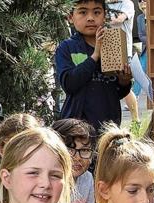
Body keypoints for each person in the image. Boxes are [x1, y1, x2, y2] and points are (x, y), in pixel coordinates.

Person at [56, 0, 133, 133]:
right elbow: (69, 84)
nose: (91, 18)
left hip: (108, 126)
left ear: (105, 16)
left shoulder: (112, 44)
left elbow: (117, 92)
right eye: (83, 12)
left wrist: (124, 81)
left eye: (97, 12)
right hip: (77, 129)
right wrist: (95, 55)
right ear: (70, 17)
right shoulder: (67, 47)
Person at [51, 118, 99, 203]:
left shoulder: (87, 178)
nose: (77, 157)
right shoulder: (47, 182)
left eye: (85, 150)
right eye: (69, 149)